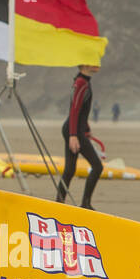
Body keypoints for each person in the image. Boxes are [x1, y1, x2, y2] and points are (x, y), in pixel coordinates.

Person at [55, 64, 104, 210]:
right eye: (93, 61)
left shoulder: (83, 81)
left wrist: (86, 129)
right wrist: (73, 135)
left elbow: (81, 111)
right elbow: (74, 109)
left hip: (75, 129)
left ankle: (58, 203)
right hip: (73, 130)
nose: (98, 64)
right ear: (84, 65)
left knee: (70, 170)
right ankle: (86, 204)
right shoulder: (81, 83)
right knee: (97, 166)